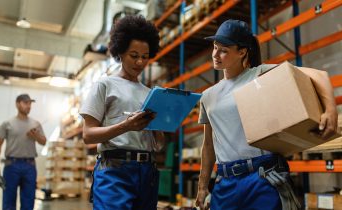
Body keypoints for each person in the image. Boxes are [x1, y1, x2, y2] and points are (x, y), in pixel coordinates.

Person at [195, 19, 338, 210]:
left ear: (242, 51)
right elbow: (208, 145)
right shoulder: (208, 96)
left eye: (224, 50)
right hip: (225, 182)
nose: (215, 54)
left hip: (262, 176)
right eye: (214, 47)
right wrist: (202, 186)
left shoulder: (259, 75)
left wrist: (330, 110)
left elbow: (318, 75)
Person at [79, 15, 165, 210]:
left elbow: (159, 145)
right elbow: (88, 135)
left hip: (147, 173)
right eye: (134, 56)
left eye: (145, 57)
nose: (140, 62)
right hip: (114, 172)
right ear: (120, 52)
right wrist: (126, 126)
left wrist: (159, 127)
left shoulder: (150, 93)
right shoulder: (105, 85)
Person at [0, 93, 46, 210]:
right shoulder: (7, 124)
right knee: (9, 200)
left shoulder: (35, 124)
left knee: (28, 200)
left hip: (30, 166)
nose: (29, 106)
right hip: (11, 165)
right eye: (26, 103)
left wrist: (36, 135)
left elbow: (43, 142)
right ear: (17, 104)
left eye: (30, 103)